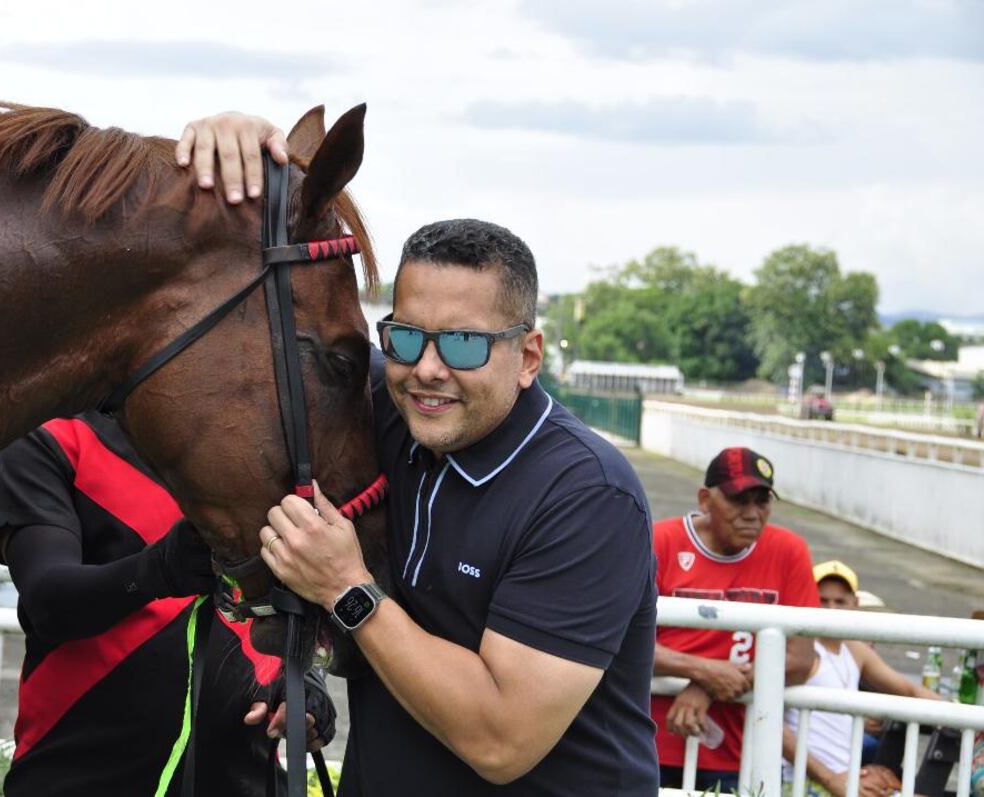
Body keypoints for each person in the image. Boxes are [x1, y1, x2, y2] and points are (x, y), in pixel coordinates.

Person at [177, 121, 658, 794]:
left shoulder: (585, 494)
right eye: (406, 337)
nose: (427, 370)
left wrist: (347, 588)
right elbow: (264, 336)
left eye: (463, 345)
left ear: (528, 355)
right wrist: (238, 137)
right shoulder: (383, 410)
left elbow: (501, 738)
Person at [0, 410, 333, 796]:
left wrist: (306, 683)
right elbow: (47, 601)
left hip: (247, 780)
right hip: (73, 775)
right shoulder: (53, 439)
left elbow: (300, 598)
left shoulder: (261, 449)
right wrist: (158, 570)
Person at [652, 447, 820, 793]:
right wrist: (702, 670)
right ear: (704, 499)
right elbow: (621, 641)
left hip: (742, 750)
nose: (752, 514)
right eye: (738, 500)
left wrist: (708, 684)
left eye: (762, 501)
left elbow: (801, 661)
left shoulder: (789, 551)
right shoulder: (660, 541)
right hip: (650, 743)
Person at [781, 560, 940, 797]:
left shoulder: (853, 650)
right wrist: (831, 779)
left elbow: (910, 690)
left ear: (854, 604)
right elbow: (771, 719)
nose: (831, 609)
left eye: (839, 601)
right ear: (807, 600)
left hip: (844, 779)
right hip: (806, 784)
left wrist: (965, 716)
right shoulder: (802, 653)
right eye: (822, 600)